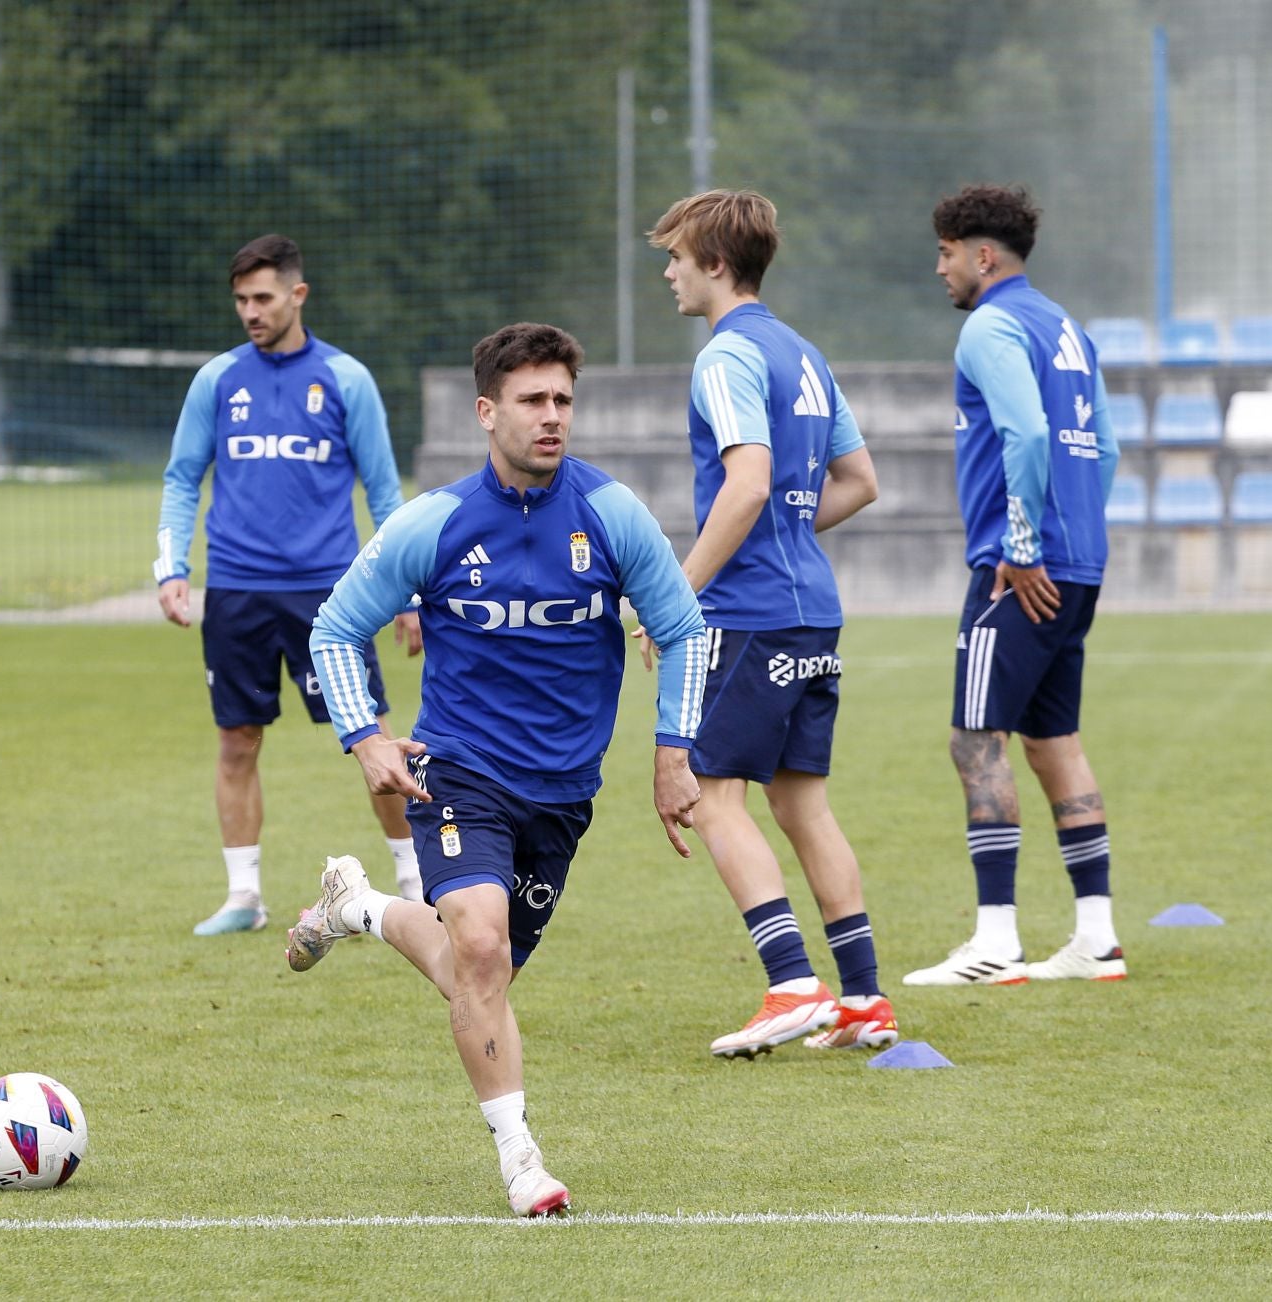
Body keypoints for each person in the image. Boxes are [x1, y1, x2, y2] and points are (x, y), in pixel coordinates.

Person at [291, 322, 709, 1216]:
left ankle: (358, 906)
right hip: (460, 770)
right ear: (488, 413)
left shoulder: (612, 513)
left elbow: (683, 630)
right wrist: (364, 735)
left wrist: (673, 752)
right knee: (478, 946)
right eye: (532, 401)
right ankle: (522, 1160)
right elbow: (333, 628)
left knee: (477, 974)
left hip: (563, 793)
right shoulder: (435, 522)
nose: (552, 417)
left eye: (563, 400)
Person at [645, 189, 900, 1060]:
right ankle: (865, 1000)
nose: (668, 271)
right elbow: (859, 479)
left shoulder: (724, 357)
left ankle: (792, 981)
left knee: (714, 797)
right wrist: (790, 528)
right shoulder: (804, 354)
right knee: (802, 804)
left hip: (748, 617)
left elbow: (748, 483)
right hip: (813, 614)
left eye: (677, 256)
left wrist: (675, 594)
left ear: (716, 263)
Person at [154, 234, 424, 937]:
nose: (251, 311)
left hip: (328, 600)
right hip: (238, 592)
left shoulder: (345, 379)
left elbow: (384, 489)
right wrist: (172, 566)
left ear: (297, 295)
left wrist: (406, 589)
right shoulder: (217, 380)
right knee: (237, 740)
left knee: (373, 738)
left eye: (264, 298)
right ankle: (244, 897)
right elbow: (183, 477)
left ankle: (417, 883)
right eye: (241, 299)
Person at [903, 184, 1124, 986]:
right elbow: (1107, 451)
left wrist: (1024, 544)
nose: (940, 269)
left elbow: (1027, 432)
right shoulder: (1067, 328)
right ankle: (1096, 939)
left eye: (946, 253)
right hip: (1082, 564)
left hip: (1020, 569)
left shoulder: (990, 328)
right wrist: (1074, 537)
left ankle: (995, 942)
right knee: (1052, 738)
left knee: (974, 738)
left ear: (982, 255)